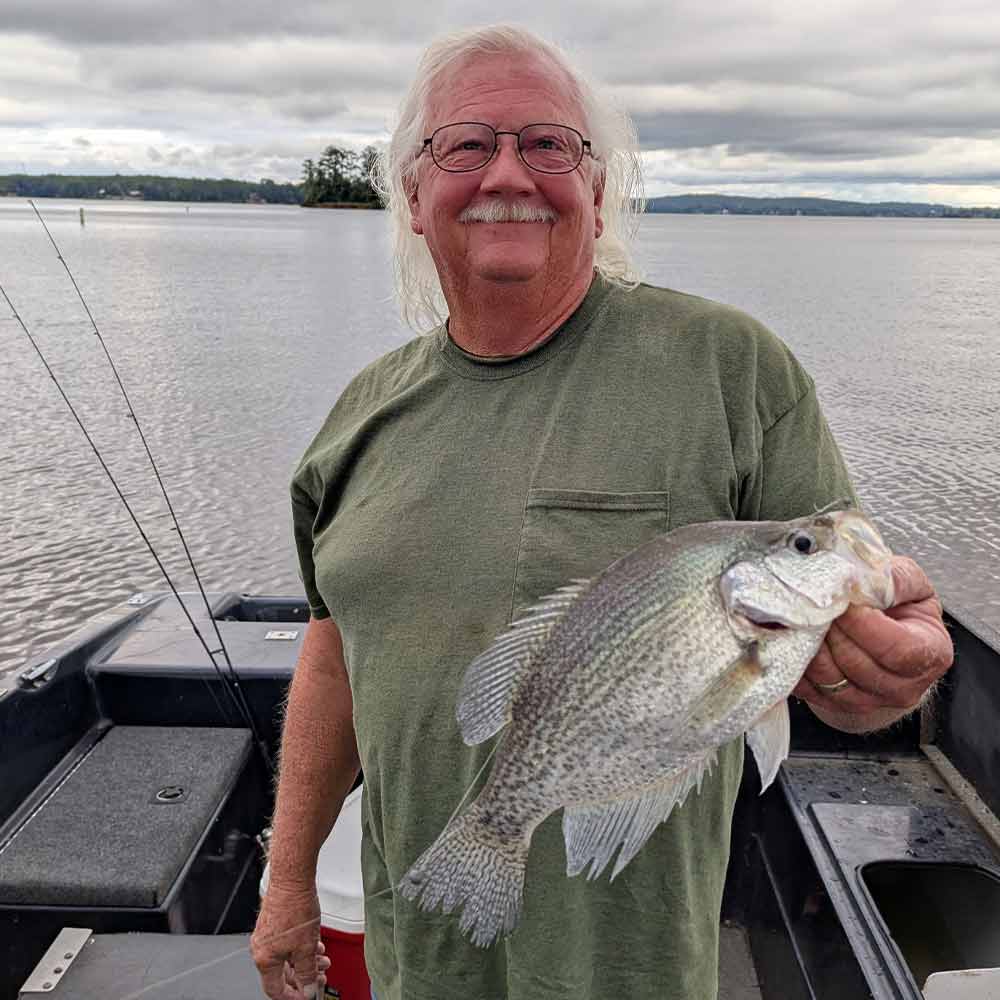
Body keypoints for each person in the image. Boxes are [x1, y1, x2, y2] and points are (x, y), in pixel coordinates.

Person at [251, 25, 953, 1000]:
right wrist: (287, 880)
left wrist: (877, 672)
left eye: (550, 144)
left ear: (597, 187)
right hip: (417, 952)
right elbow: (336, 652)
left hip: (628, 970)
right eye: (465, 144)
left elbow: (846, 619)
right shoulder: (360, 415)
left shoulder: (730, 366)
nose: (509, 172)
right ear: (412, 194)